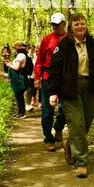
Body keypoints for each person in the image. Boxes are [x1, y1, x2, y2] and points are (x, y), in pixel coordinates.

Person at [48, 12, 94, 178]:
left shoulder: (93, 44)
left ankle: (71, 144)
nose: (80, 26)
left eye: (82, 23)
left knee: (87, 119)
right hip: (69, 90)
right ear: (71, 27)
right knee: (76, 123)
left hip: (89, 87)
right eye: (76, 24)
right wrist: (53, 92)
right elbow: (54, 69)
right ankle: (81, 162)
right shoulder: (64, 45)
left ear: (86, 25)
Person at [34, 12, 67, 152]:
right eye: (53, 24)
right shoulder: (47, 39)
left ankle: (58, 127)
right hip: (48, 77)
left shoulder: (69, 39)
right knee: (47, 110)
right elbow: (39, 60)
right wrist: (37, 77)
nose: (54, 27)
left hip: (65, 78)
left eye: (57, 24)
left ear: (64, 24)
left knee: (65, 108)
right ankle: (48, 138)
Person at [7, 42, 29, 119]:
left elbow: (16, 67)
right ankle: (20, 112)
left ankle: (21, 113)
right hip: (20, 78)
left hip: (19, 79)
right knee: (18, 96)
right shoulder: (22, 55)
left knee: (19, 95)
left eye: (15, 48)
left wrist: (10, 65)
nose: (14, 50)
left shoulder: (20, 55)